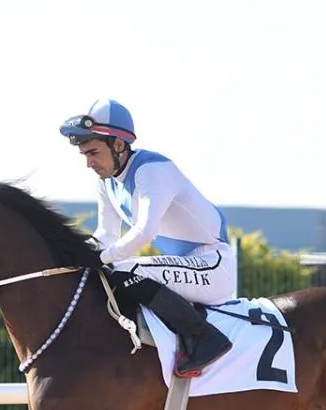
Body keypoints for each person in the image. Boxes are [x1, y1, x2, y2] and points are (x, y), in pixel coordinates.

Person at [59, 98, 235, 377]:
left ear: (118, 144)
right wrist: (75, 256)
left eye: (93, 152)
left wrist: (101, 259)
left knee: (126, 270)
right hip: (186, 267)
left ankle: (205, 337)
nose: (89, 163)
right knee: (111, 271)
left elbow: (145, 231)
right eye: (84, 155)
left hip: (213, 266)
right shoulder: (106, 182)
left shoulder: (151, 170)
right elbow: (106, 235)